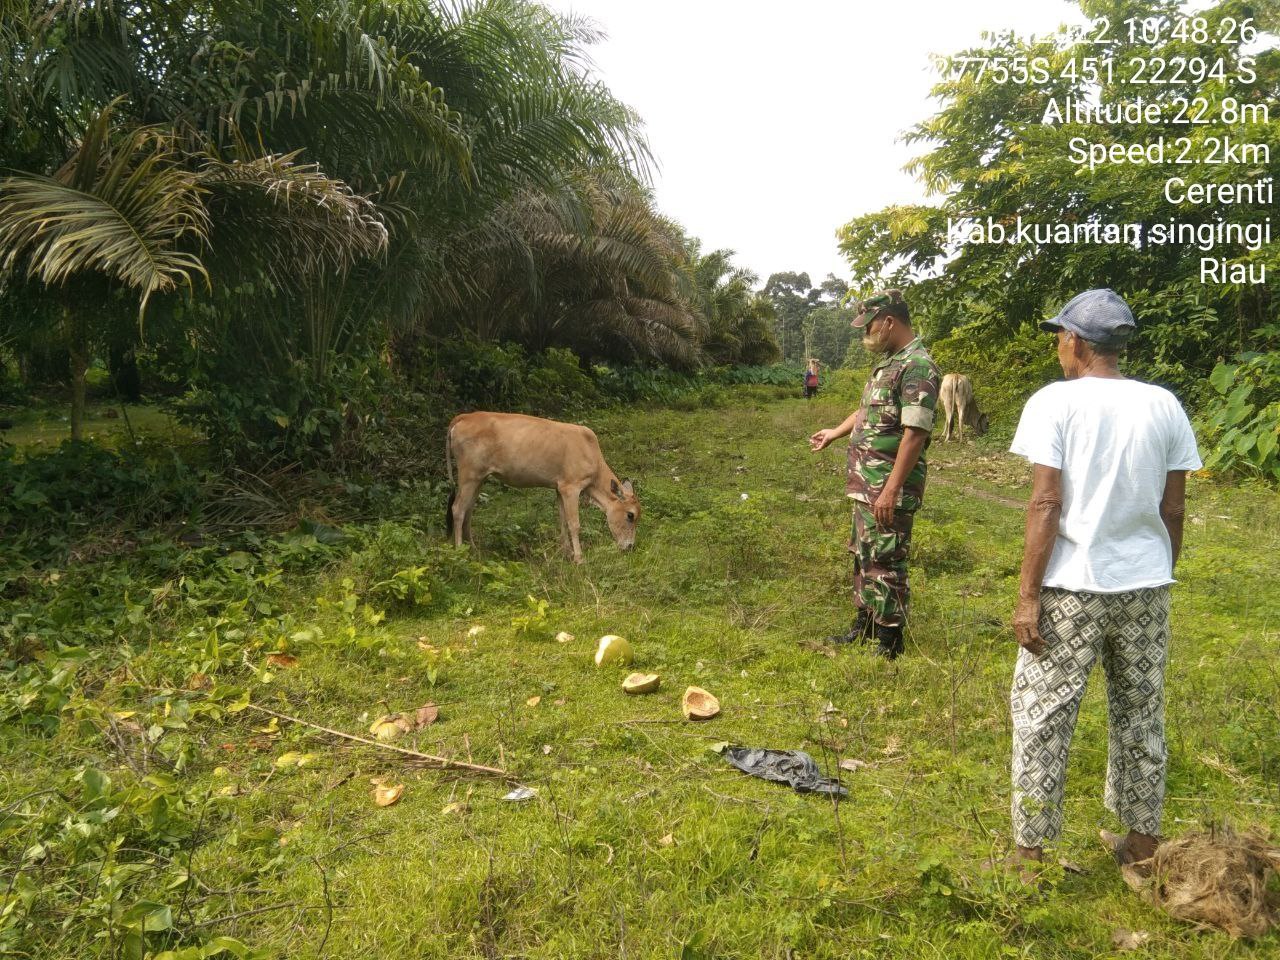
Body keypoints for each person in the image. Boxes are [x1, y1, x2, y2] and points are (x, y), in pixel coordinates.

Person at [1005, 288, 1202, 879]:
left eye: (1061, 336)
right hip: (1145, 587)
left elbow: (1045, 502)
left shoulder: (1055, 403)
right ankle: (1143, 849)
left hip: (1071, 590)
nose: (1059, 347)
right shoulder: (1165, 405)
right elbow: (1173, 511)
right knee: (1141, 714)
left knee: (1043, 716)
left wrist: (1027, 596)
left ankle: (1030, 856)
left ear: (1078, 343)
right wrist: (1160, 572)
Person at [809, 290, 939, 659]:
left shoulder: (917, 366)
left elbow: (916, 433)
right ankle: (865, 623)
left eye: (870, 325)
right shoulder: (890, 363)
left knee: (887, 559)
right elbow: (867, 412)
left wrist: (891, 489)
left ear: (889, 321)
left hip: (887, 485)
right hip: (866, 483)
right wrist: (835, 432)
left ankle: (889, 640)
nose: (867, 333)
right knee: (863, 554)